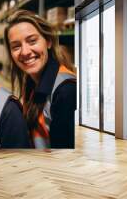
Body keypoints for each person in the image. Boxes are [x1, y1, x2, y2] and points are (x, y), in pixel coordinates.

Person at [4, 10, 77, 149]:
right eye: (16, 46)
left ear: (48, 41)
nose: (25, 52)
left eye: (32, 41)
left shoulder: (67, 92)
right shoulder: (31, 83)